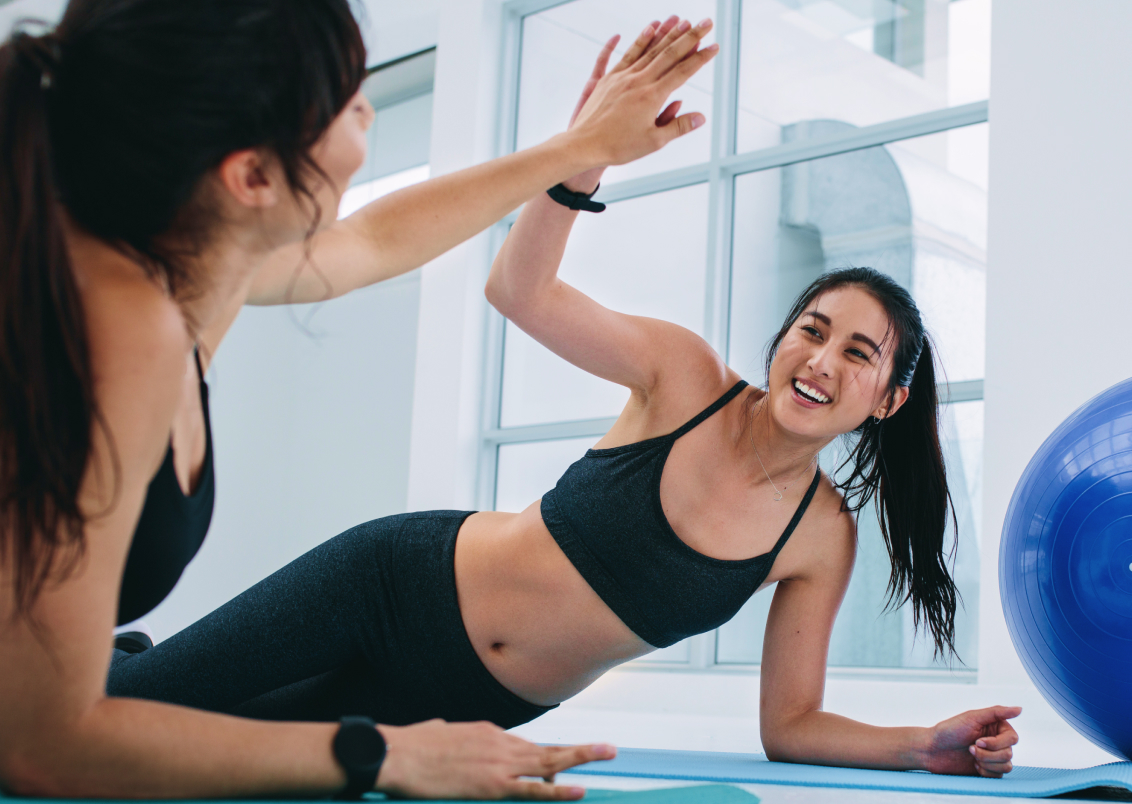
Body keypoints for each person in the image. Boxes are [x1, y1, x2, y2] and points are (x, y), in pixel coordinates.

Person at [104, 40, 1022, 782]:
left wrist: (919, 743)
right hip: (389, 590)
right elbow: (519, 288)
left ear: (890, 399)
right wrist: (580, 162)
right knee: (121, 719)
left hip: (473, 711)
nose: (819, 359)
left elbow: (791, 725)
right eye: (811, 329)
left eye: (857, 353)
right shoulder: (685, 377)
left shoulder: (819, 537)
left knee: (183, 771)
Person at [0, 0, 718, 796]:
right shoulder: (117, 332)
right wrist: (387, 756)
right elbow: (40, 744)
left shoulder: (187, 256)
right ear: (251, 177)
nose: (368, 110)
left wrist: (580, 148)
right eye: (347, 99)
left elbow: (372, 240)